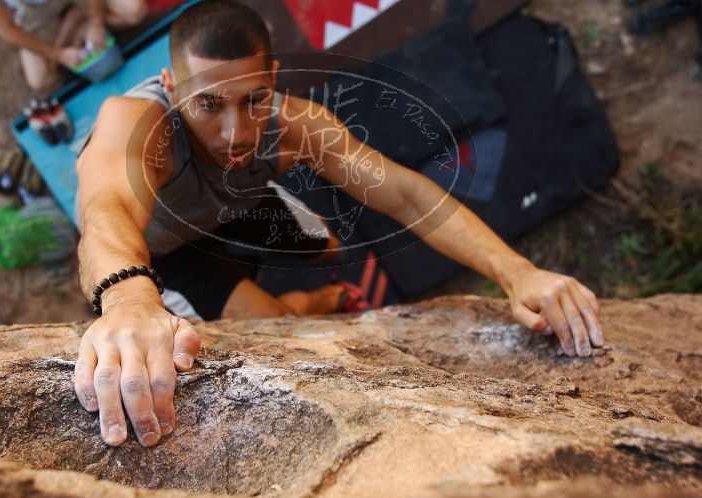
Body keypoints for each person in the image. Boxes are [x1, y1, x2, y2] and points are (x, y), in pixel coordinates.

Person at [73, 0, 606, 448]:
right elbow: (106, 210)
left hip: (246, 204)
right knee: (276, 330)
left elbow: (404, 194)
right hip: (172, 250)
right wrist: (129, 302)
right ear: (170, 85)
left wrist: (517, 272)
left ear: (273, 81)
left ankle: (320, 293)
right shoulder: (137, 122)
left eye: (253, 99)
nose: (235, 132)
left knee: (329, 248)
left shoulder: (296, 125)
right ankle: (302, 306)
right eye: (208, 104)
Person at [0, 0, 147, 92]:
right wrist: (59, 54)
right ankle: (76, 22)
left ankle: (81, 20)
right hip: (35, 13)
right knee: (40, 80)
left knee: (134, 11)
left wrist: (97, 23)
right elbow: (8, 31)